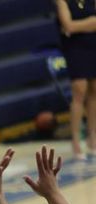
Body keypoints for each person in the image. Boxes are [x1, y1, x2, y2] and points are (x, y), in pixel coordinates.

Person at [55, 0, 96, 160]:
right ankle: (76, 140)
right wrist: (91, 23)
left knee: (94, 91)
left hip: (93, 45)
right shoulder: (62, 1)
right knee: (79, 90)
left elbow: (73, 27)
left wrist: (78, 26)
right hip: (75, 48)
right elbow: (68, 26)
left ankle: (93, 138)